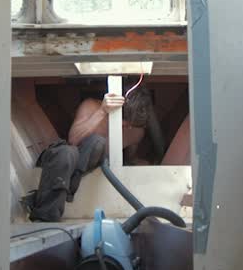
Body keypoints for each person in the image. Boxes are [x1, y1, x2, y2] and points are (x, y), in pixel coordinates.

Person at [24, 85, 159, 221]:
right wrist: (102, 112)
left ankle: (69, 186)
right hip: (64, 159)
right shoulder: (91, 106)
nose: (126, 126)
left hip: (85, 169)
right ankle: (44, 217)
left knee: (98, 145)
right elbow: (73, 139)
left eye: (131, 124)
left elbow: (130, 158)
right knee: (84, 146)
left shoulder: (136, 132)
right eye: (124, 121)